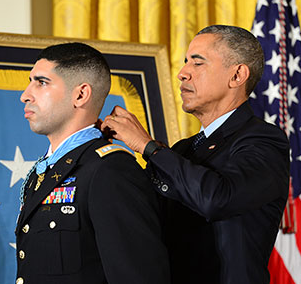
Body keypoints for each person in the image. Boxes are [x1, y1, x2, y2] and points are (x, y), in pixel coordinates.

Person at [101, 25, 290, 284]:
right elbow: (140, 214)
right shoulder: (182, 150)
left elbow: (217, 198)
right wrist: (93, 147)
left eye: (197, 63)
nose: (182, 74)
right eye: (185, 63)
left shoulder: (264, 140)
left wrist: (147, 146)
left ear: (237, 75)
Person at [15, 42, 170, 284]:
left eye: (41, 82)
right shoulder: (44, 170)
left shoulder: (110, 170)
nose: (25, 94)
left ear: (80, 94)